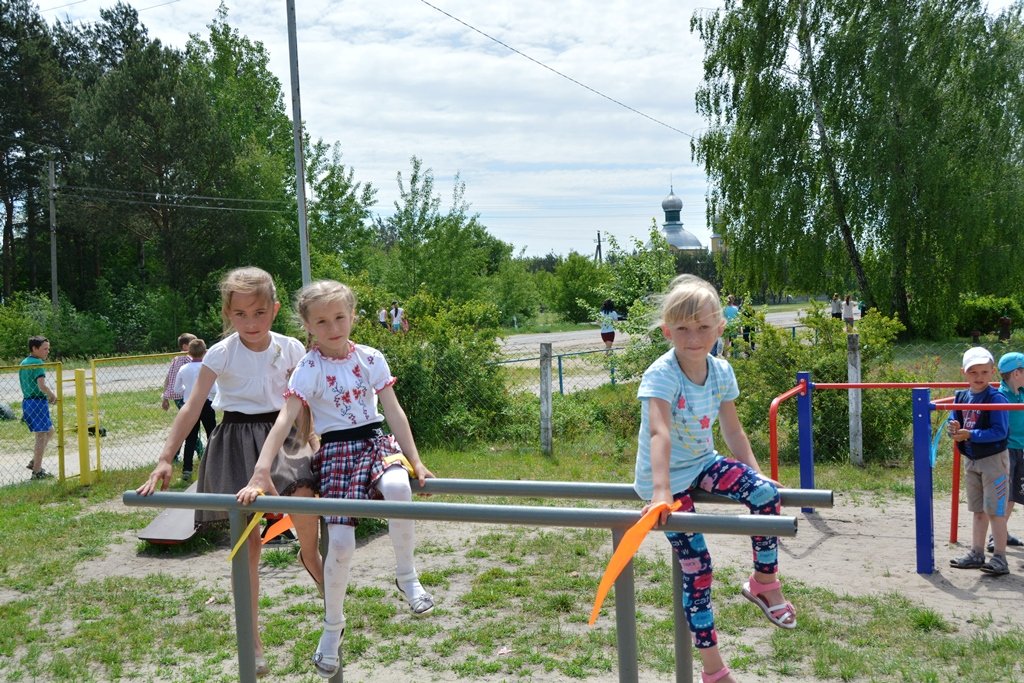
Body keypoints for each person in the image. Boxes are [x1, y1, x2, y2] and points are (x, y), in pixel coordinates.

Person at [236, 280, 434, 679]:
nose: (333, 327)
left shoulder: (371, 357)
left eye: (340, 317)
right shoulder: (310, 368)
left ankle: (407, 576)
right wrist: (261, 470)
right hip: (338, 453)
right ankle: (332, 627)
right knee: (340, 545)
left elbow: (393, 411)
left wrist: (416, 460)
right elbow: (284, 420)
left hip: (376, 442)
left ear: (353, 317)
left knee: (399, 488)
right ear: (308, 326)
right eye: (322, 321)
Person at [137, 267, 324, 677]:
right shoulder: (220, 353)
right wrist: (166, 457)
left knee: (308, 517)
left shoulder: (291, 348)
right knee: (248, 548)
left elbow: (304, 404)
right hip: (236, 440)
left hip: (284, 438)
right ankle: (252, 640)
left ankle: (318, 576)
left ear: (274, 309)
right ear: (227, 313)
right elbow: (192, 407)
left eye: (259, 312)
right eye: (240, 314)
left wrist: (314, 442)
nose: (251, 322)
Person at [634, 274, 794, 683]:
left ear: (720, 328)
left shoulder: (721, 371)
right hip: (665, 478)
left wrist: (755, 471)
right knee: (699, 567)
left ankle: (764, 582)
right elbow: (659, 432)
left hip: (703, 463)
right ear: (667, 331)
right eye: (683, 329)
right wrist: (660, 492)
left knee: (764, 493)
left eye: (703, 327)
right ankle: (714, 670)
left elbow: (733, 430)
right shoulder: (662, 374)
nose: (693, 338)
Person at [949, 347, 1011, 576]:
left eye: (984, 372)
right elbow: (954, 420)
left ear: (992, 372)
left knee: (995, 510)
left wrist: (970, 435)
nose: (979, 377)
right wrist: (954, 429)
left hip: (993, 460)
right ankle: (976, 553)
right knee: (978, 510)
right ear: (964, 373)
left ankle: (1000, 558)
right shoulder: (961, 397)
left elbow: (999, 431)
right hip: (972, 459)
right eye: (973, 372)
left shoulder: (996, 398)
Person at [175, 338, 218, 483]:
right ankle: (214, 465)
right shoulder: (207, 368)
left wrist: (187, 390)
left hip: (190, 404)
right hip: (206, 403)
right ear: (205, 352)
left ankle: (187, 469)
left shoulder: (183, 369)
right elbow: (214, 389)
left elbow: (177, 389)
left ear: (189, 352)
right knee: (212, 434)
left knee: (191, 438)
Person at [995, 352, 1024, 551]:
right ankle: (995, 536)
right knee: (1004, 496)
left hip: (1020, 449)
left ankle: (1002, 532)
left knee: (1013, 495)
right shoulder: (1002, 396)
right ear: (1016, 373)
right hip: (1006, 451)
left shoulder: (1021, 392)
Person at [20, 335, 57, 480]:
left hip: (28, 402)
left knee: (50, 431)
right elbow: (41, 385)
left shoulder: (24, 362)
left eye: (48, 349)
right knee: (41, 436)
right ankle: (37, 471)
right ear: (34, 349)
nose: (47, 351)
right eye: (44, 349)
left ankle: (35, 461)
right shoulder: (38, 362)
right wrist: (51, 395)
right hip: (37, 402)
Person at [161, 333, 197, 462]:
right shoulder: (188, 359)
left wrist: (165, 396)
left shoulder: (176, 358)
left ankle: (176, 455)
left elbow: (168, 378)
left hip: (177, 396)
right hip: (183, 396)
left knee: (187, 426)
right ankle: (199, 451)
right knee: (189, 427)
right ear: (185, 346)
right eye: (193, 343)